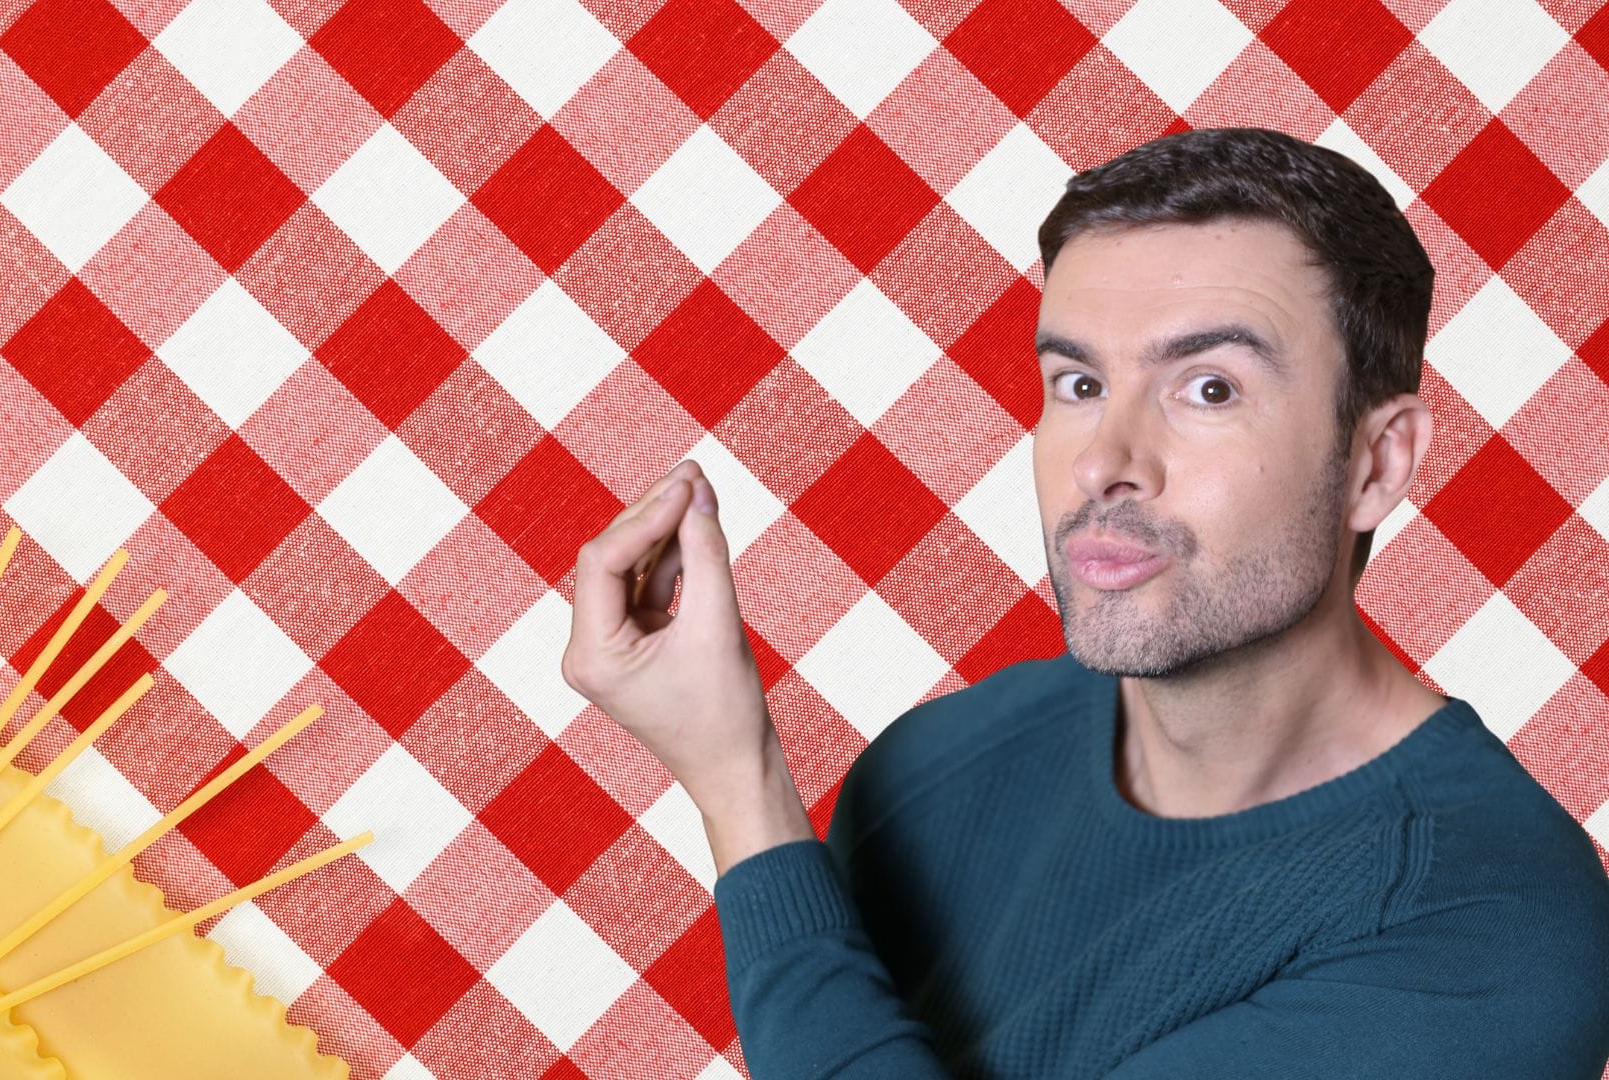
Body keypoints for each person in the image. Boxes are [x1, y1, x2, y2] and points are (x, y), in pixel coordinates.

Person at [560, 127, 1609, 1078]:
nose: (1105, 461)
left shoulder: (1491, 932)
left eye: (1209, 389)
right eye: (1077, 384)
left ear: (1376, 464)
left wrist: (740, 785)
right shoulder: (931, 772)